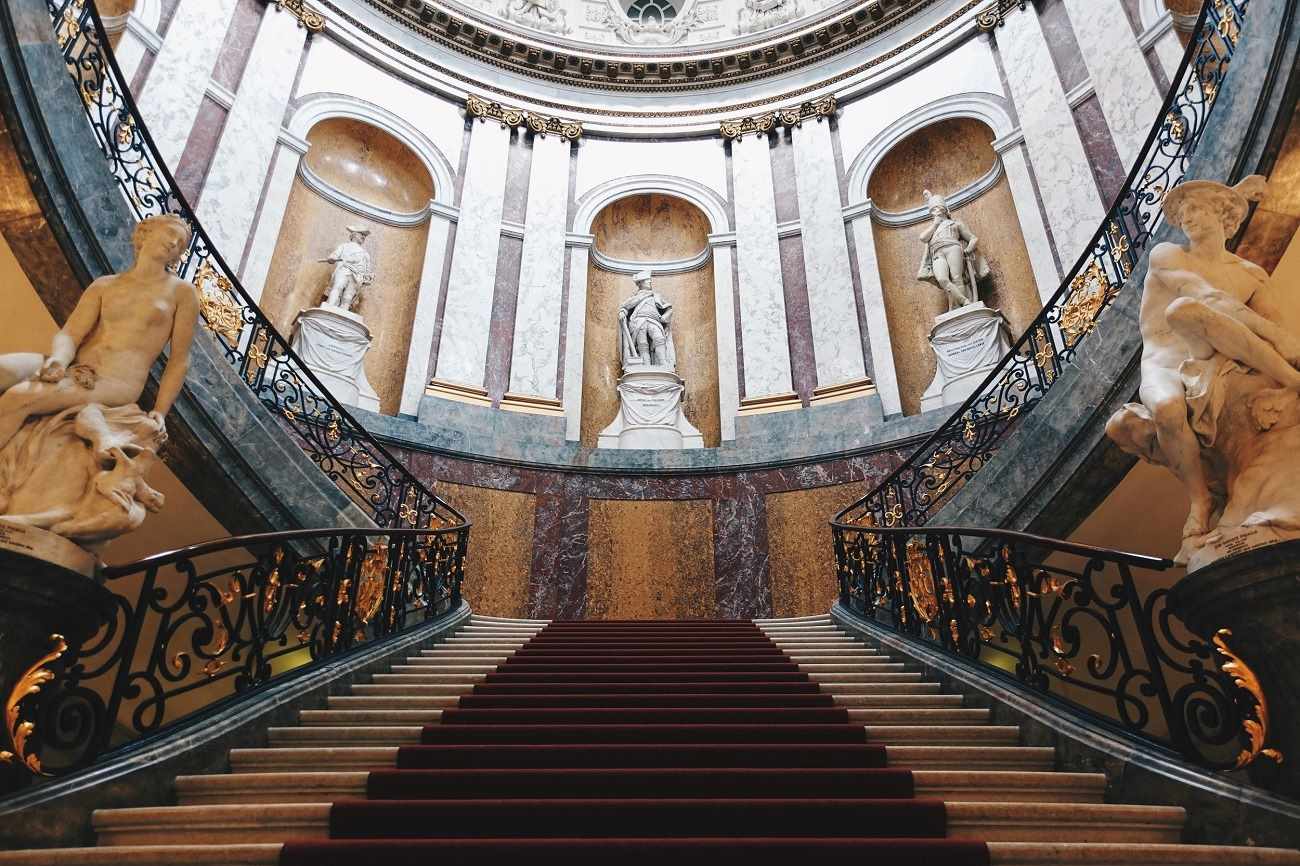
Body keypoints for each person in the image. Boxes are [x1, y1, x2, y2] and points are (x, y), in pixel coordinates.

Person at [1129, 175, 1300, 538]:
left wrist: (1286, 343)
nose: (1187, 218)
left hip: (1214, 351)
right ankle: (1200, 501)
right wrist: (1279, 340)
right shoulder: (1167, 254)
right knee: (1167, 409)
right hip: (1165, 358)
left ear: (1224, 217)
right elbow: (1208, 298)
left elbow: (1276, 323)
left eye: (1196, 209)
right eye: (1183, 213)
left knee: (1191, 311)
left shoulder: (1250, 274)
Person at [0, 213, 198, 453]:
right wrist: (59, 359)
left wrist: (160, 409)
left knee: (19, 397)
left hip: (114, 381)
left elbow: (179, 360)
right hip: (74, 367)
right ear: (146, 231)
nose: (175, 243)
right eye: (170, 233)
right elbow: (71, 333)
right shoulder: (105, 284)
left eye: (181, 243)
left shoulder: (181, 293)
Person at [917, 189, 989, 311]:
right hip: (937, 253)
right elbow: (922, 238)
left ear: (944, 209)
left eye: (937, 209)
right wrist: (935, 224)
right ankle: (964, 301)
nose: (935, 212)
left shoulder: (955, 223)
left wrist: (968, 249)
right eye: (933, 210)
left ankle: (961, 308)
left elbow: (973, 238)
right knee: (942, 279)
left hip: (953, 248)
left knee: (957, 278)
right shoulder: (933, 228)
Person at [618, 270, 675, 367]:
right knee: (642, 344)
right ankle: (646, 366)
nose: (650, 282)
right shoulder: (636, 297)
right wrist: (623, 312)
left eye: (649, 280)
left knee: (659, 339)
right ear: (640, 283)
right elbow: (625, 306)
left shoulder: (656, 296)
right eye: (647, 280)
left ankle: (663, 363)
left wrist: (665, 317)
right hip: (639, 321)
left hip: (654, 320)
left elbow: (668, 308)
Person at [320, 225, 374, 312]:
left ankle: (344, 311)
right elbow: (334, 255)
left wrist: (368, 277)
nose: (363, 237)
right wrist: (332, 258)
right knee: (338, 287)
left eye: (364, 236)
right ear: (354, 234)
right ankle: (330, 305)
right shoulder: (344, 246)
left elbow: (367, 270)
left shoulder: (365, 254)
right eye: (361, 234)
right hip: (344, 270)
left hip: (356, 276)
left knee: (348, 296)